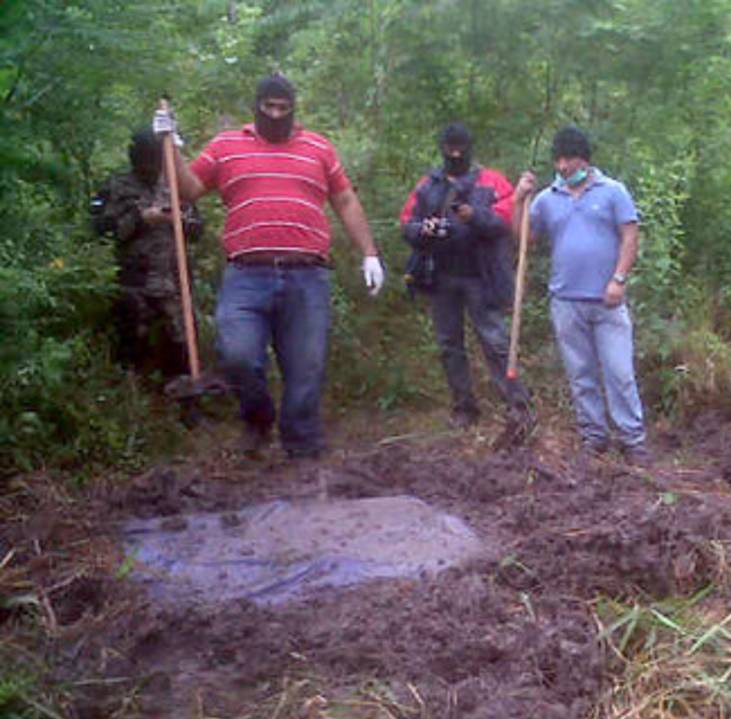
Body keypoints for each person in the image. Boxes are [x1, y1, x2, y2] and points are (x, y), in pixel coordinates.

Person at [153, 74, 385, 459]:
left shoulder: (318, 147)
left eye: (283, 107)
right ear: (257, 106)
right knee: (237, 354)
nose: (276, 114)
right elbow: (188, 189)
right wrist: (171, 145)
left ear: (293, 108)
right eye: (269, 106)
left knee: (306, 365)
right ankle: (257, 421)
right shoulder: (226, 145)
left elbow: (345, 200)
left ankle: (302, 445)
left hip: (308, 274)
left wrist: (370, 253)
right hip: (246, 274)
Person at [513, 126, 648, 464]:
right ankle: (594, 437)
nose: (563, 166)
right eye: (558, 160)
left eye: (569, 159)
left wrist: (618, 279)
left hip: (608, 301)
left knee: (619, 373)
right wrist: (518, 200)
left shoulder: (613, 191)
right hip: (565, 302)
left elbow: (630, 237)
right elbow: (524, 239)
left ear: (584, 159)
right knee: (580, 375)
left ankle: (633, 440)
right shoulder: (546, 199)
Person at [399, 123, 532, 429]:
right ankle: (464, 407)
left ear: (470, 149)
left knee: (495, 341)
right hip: (440, 276)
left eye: (461, 148)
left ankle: (518, 404)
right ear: (442, 148)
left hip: (482, 276)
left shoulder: (492, 181)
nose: (455, 154)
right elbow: (407, 223)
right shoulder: (427, 185)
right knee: (449, 344)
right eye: (450, 148)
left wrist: (474, 216)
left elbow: (506, 221)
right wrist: (423, 229)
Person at [91, 129, 203, 381]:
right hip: (134, 280)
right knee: (132, 345)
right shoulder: (115, 187)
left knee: (180, 344)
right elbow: (103, 231)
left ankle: (183, 393)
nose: (151, 168)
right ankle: (131, 394)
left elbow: (197, 230)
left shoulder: (175, 186)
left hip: (174, 279)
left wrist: (180, 219)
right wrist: (140, 219)